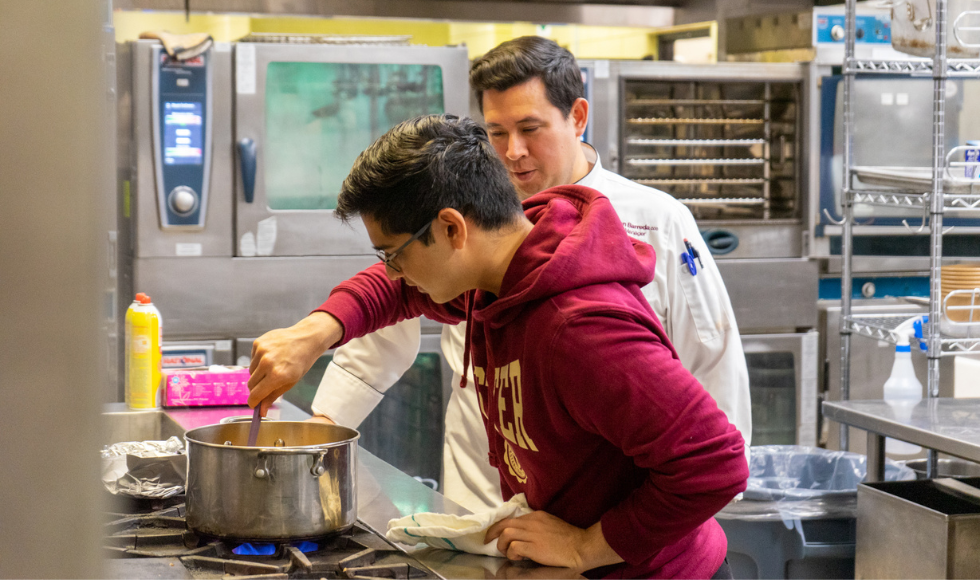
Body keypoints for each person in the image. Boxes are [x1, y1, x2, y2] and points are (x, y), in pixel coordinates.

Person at [247, 36, 751, 514]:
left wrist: (680, 512)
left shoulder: (632, 249)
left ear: (577, 117)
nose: (512, 151)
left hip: (605, 520)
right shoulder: (492, 222)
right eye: (496, 132)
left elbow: (710, 372)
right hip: (490, 480)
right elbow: (401, 288)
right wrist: (319, 355)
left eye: (530, 129)